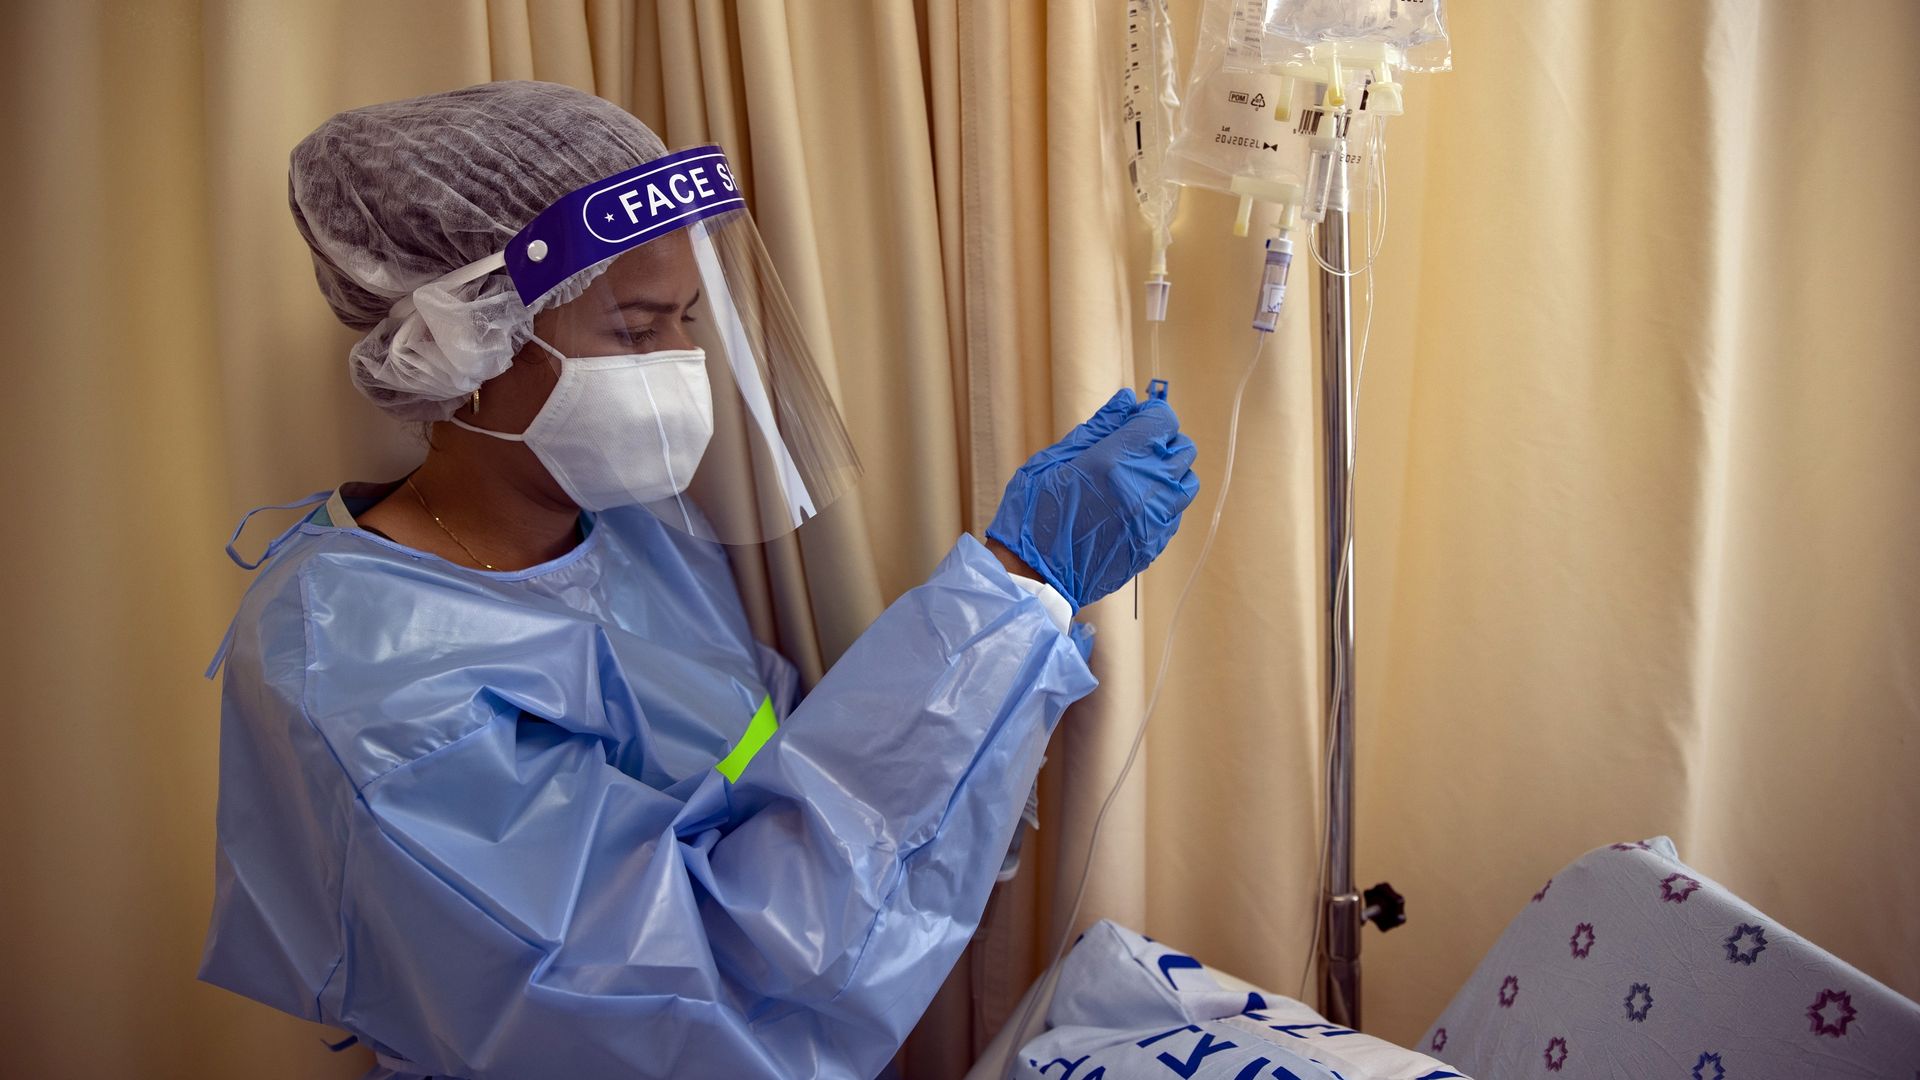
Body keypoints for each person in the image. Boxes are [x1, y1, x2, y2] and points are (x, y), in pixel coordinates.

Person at [199, 81, 1199, 1080]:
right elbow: (687, 993)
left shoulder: (642, 539)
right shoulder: (352, 661)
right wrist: (1008, 597)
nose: (685, 364)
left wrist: (996, 674)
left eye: (688, 320)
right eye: (635, 333)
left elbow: (787, 775)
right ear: (466, 343)